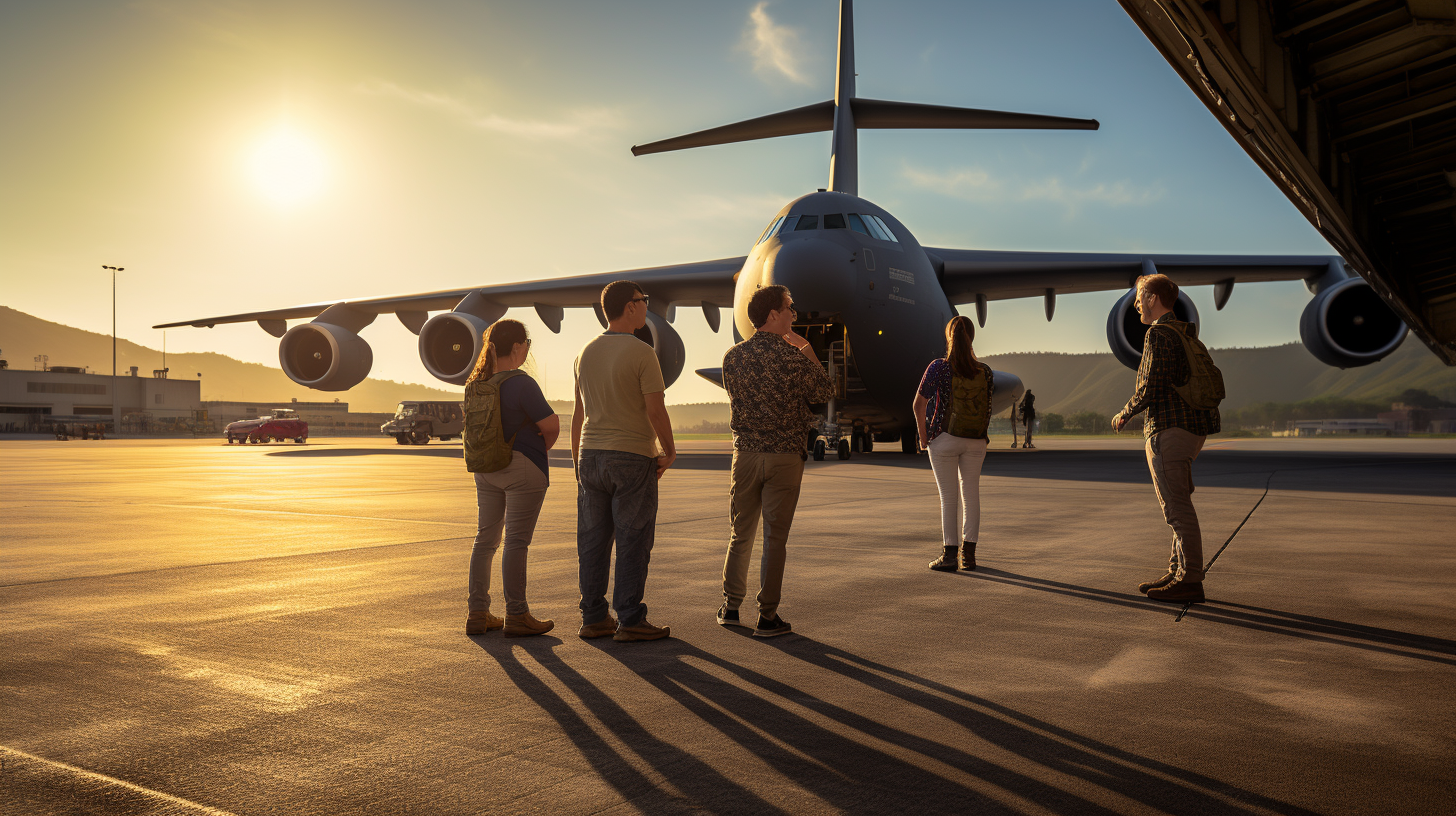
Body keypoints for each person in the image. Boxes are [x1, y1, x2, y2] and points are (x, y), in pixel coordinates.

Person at [718, 285, 834, 637]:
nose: (793, 315)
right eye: (789, 309)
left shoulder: (732, 357)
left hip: (747, 454)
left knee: (740, 534)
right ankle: (767, 616)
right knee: (774, 538)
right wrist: (807, 349)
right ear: (773, 315)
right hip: (784, 455)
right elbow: (825, 391)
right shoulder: (793, 358)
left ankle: (731, 607)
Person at [572, 280, 676, 642]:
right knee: (633, 540)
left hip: (591, 455)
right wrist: (670, 449)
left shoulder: (584, 352)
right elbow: (655, 408)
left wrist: (577, 462)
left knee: (592, 540)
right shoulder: (642, 352)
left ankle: (593, 617)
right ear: (629, 307)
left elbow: (578, 413)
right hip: (631, 456)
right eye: (643, 300)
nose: (647, 306)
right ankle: (629, 619)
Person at [1112, 274, 1221, 604]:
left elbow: (1149, 385)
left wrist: (1125, 412)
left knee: (1177, 509)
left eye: (1139, 297)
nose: (1136, 304)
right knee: (1179, 503)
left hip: (1169, 430)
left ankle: (1190, 579)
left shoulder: (1158, 334)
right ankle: (1177, 571)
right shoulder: (1185, 333)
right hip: (1191, 430)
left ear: (1153, 297)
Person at [463, 319, 559, 638]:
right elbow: (550, 426)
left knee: (485, 540)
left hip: (485, 469)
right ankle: (516, 614)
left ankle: (478, 612)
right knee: (516, 541)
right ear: (517, 347)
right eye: (527, 345)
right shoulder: (521, 383)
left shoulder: (478, 383)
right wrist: (532, 451)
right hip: (521, 468)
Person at [914, 315, 994, 572]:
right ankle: (969, 556)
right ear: (972, 337)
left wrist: (923, 436)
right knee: (971, 495)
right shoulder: (986, 371)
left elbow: (919, 404)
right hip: (976, 441)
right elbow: (988, 408)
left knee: (949, 498)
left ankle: (949, 556)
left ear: (949, 337)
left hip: (944, 439)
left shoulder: (938, 367)